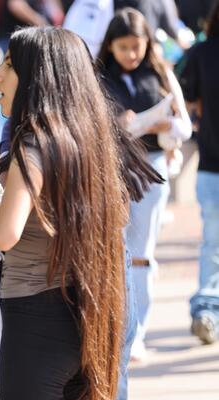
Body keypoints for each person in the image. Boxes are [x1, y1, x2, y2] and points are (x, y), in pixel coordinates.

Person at [0, 26, 132, 400]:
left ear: (36, 76)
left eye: (8, 65)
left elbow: (6, 234)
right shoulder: (89, 144)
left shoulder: (32, 143)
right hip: (87, 319)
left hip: (34, 322)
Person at [98, 7, 192, 361]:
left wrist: (161, 126)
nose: (131, 55)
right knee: (111, 252)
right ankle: (112, 329)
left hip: (151, 168)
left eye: (136, 47)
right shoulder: (98, 76)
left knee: (141, 255)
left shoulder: (161, 74)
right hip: (111, 170)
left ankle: (136, 333)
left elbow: (183, 125)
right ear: (111, 46)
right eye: (123, 48)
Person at [179, 0, 219, 344]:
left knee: (213, 242)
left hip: (211, 159)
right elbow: (185, 99)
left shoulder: (202, 53)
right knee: (213, 242)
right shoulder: (202, 53)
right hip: (212, 163)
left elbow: (190, 102)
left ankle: (207, 307)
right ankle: (207, 309)